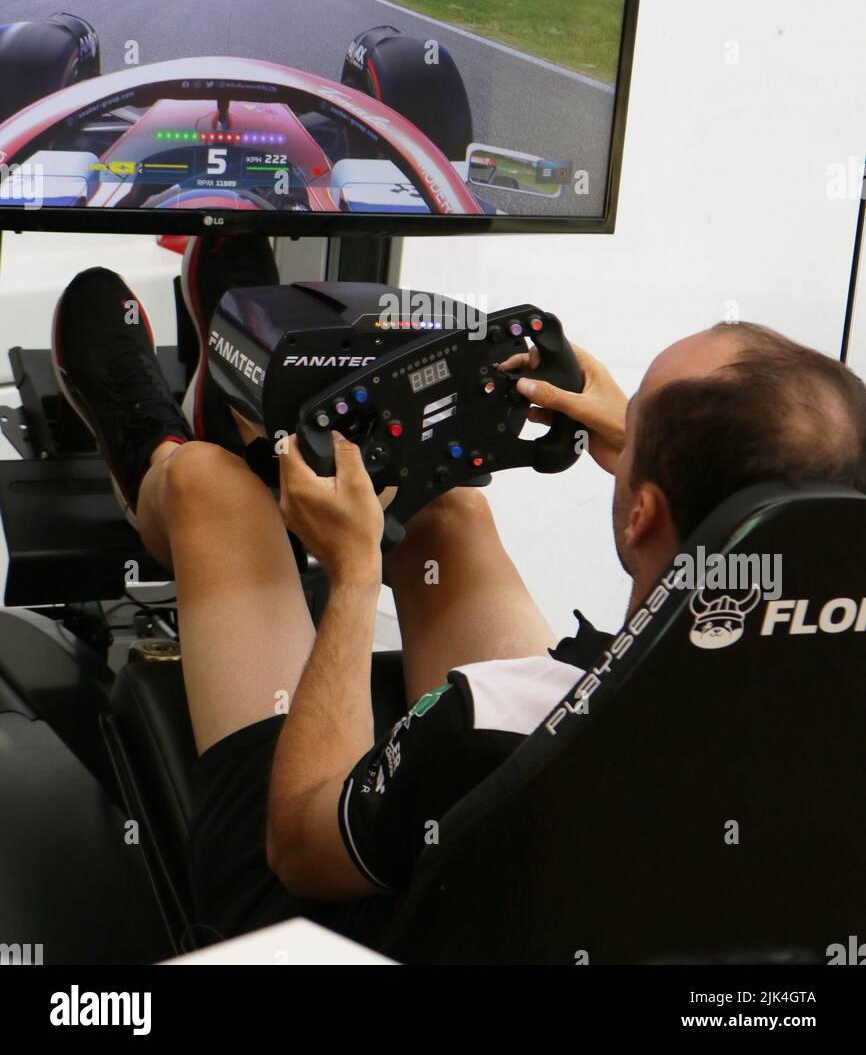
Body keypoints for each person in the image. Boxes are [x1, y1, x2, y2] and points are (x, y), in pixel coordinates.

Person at [51, 240, 866, 948]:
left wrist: (353, 572)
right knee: (447, 514)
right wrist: (649, 460)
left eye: (637, 416)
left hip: (328, 913)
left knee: (211, 490)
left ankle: (154, 441)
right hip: (557, 892)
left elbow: (300, 839)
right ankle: (249, 382)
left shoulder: (488, 717)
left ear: (644, 514)